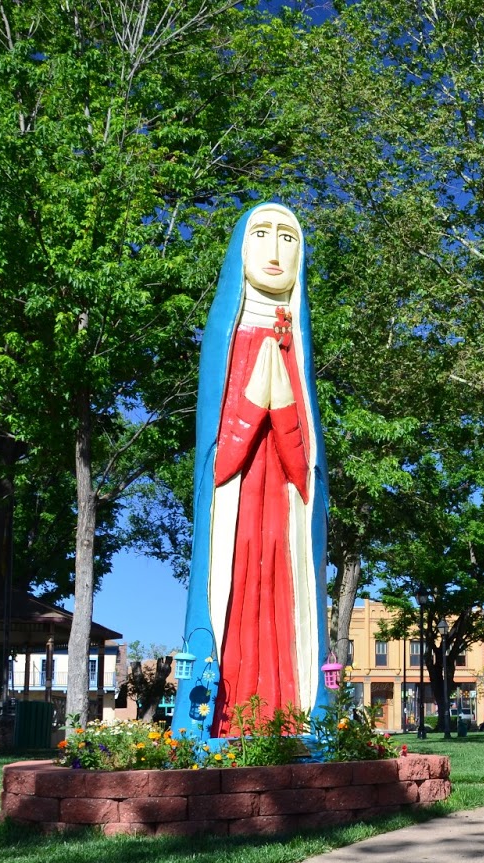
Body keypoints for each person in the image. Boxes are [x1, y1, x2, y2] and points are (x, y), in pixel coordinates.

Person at [174, 203, 328, 738]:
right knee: (232, 603)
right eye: (262, 234)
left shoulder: (296, 347)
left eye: (289, 237)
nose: (274, 249)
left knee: (285, 614)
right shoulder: (227, 339)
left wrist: (282, 402)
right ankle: (217, 718)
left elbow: (307, 470)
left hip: (283, 523)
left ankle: (294, 715)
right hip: (235, 517)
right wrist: (252, 404)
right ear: (241, 248)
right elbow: (215, 460)